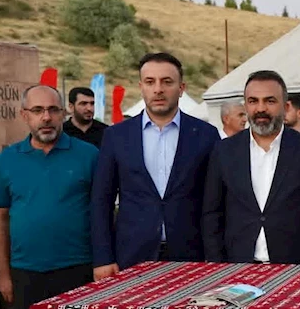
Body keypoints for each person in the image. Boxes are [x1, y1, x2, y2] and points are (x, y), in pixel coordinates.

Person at [91, 53, 220, 278]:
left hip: (192, 255)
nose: (158, 89)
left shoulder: (205, 135)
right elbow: (102, 200)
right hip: (131, 256)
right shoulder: (116, 136)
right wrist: (103, 258)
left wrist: (215, 256)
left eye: (167, 82)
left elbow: (217, 201)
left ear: (181, 88)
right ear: (141, 87)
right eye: (150, 82)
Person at [0, 85, 98, 309]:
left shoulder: (89, 156)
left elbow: (104, 213)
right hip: (25, 273)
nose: (46, 117)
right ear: (24, 115)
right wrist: (4, 275)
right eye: (37, 110)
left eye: (52, 110)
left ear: (63, 113)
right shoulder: (8, 159)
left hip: (78, 270)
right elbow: (0, 218)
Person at [202, 70, 300, 264]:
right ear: (246, 106)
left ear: (285, 107)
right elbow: (212, 214)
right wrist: (217, 264)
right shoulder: (224, 151)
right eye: (253, 101)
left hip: (295, 267)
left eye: (270, 101)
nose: (261, 108)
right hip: (237, 266)